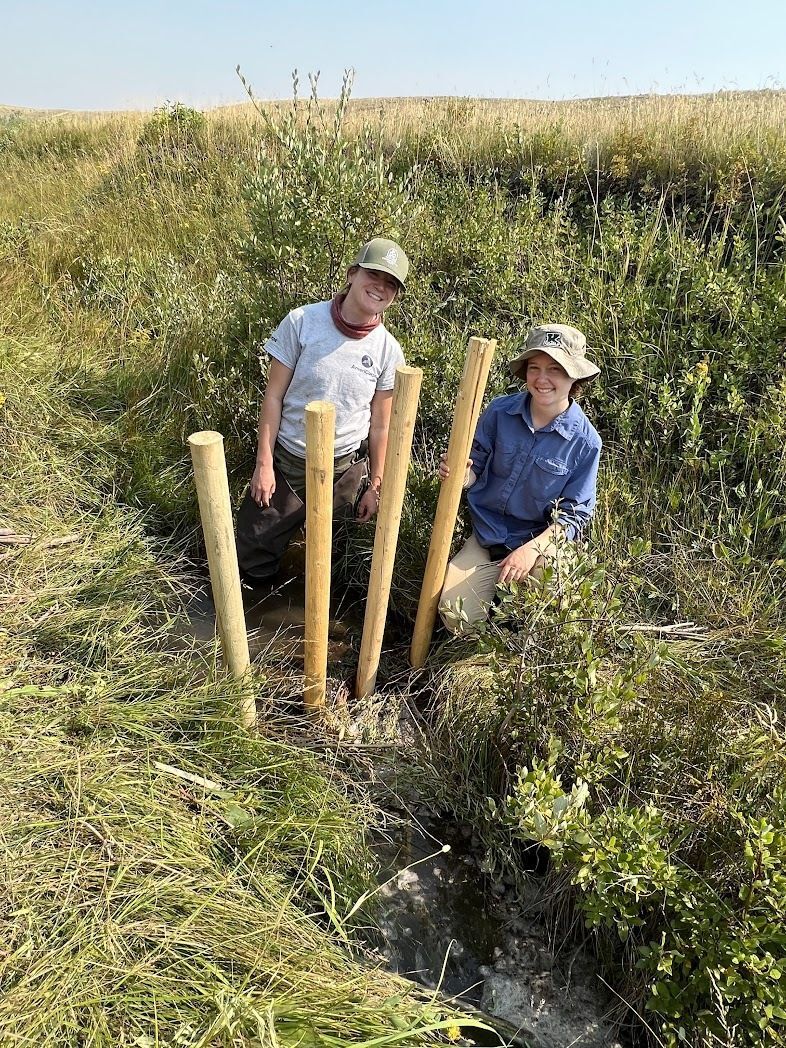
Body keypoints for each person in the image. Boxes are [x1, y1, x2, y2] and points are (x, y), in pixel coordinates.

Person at [236, 237, 408, 588]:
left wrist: (376, 485)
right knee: (252, 560)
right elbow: (273, 398)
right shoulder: (302, 322)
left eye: (391, 283)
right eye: (373, 274)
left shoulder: (388, 351)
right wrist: (264, 464)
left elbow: (380, 426)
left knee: (331, 567)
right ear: (352, 274)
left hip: (343, 469)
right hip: (288, 463)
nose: (380, 287)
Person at [438, 323, 602, 630]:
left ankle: (516, 632)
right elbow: (475, 469)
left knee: (544, 597)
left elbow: (572, 518)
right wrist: (460, 474)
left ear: (574, 376)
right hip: (487, 535)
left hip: (539, 543)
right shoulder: (500, 411)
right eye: (535, 368)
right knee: (456, 618)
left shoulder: (586, 443)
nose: (542, 379)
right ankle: (493, 600)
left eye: (555, 369)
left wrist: (529, 552)